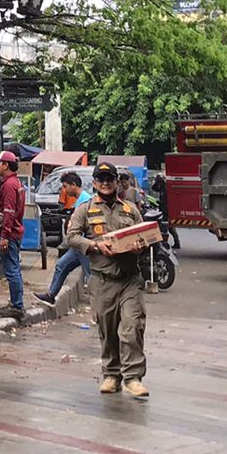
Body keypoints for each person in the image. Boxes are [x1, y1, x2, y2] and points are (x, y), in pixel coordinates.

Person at [65, 163, 149, 400]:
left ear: (116, 181)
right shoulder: (84, 210)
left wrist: (141, 245)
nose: (105, 182)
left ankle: (133, 378)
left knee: (133, 327)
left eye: (109, 178)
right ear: (94, 183)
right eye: (100, 179)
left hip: (130, 279)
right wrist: (94, 245)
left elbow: (145, 236)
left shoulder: (130, 209)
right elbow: (71, 237)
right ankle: (112, 375)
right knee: (108, 330)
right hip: (102, 281)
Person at [35, 175, 91, 308]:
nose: (64, 190)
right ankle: (50, 296)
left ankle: (103, 306)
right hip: (77, 245)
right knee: (61, 265)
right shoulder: (80, 200)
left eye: (65, 186)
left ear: (73, 185)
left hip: (83, 244)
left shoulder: (86, 201)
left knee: (92, 275)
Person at [0, 150, 26, 317]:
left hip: (10, 234)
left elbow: (8, 212)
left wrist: (4, 236)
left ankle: (17, 306)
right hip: (15, 232)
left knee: (11, 269)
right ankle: (16, 303)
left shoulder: (9, 185)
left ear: (5, 165)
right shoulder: (16, 183)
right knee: (14, 268)